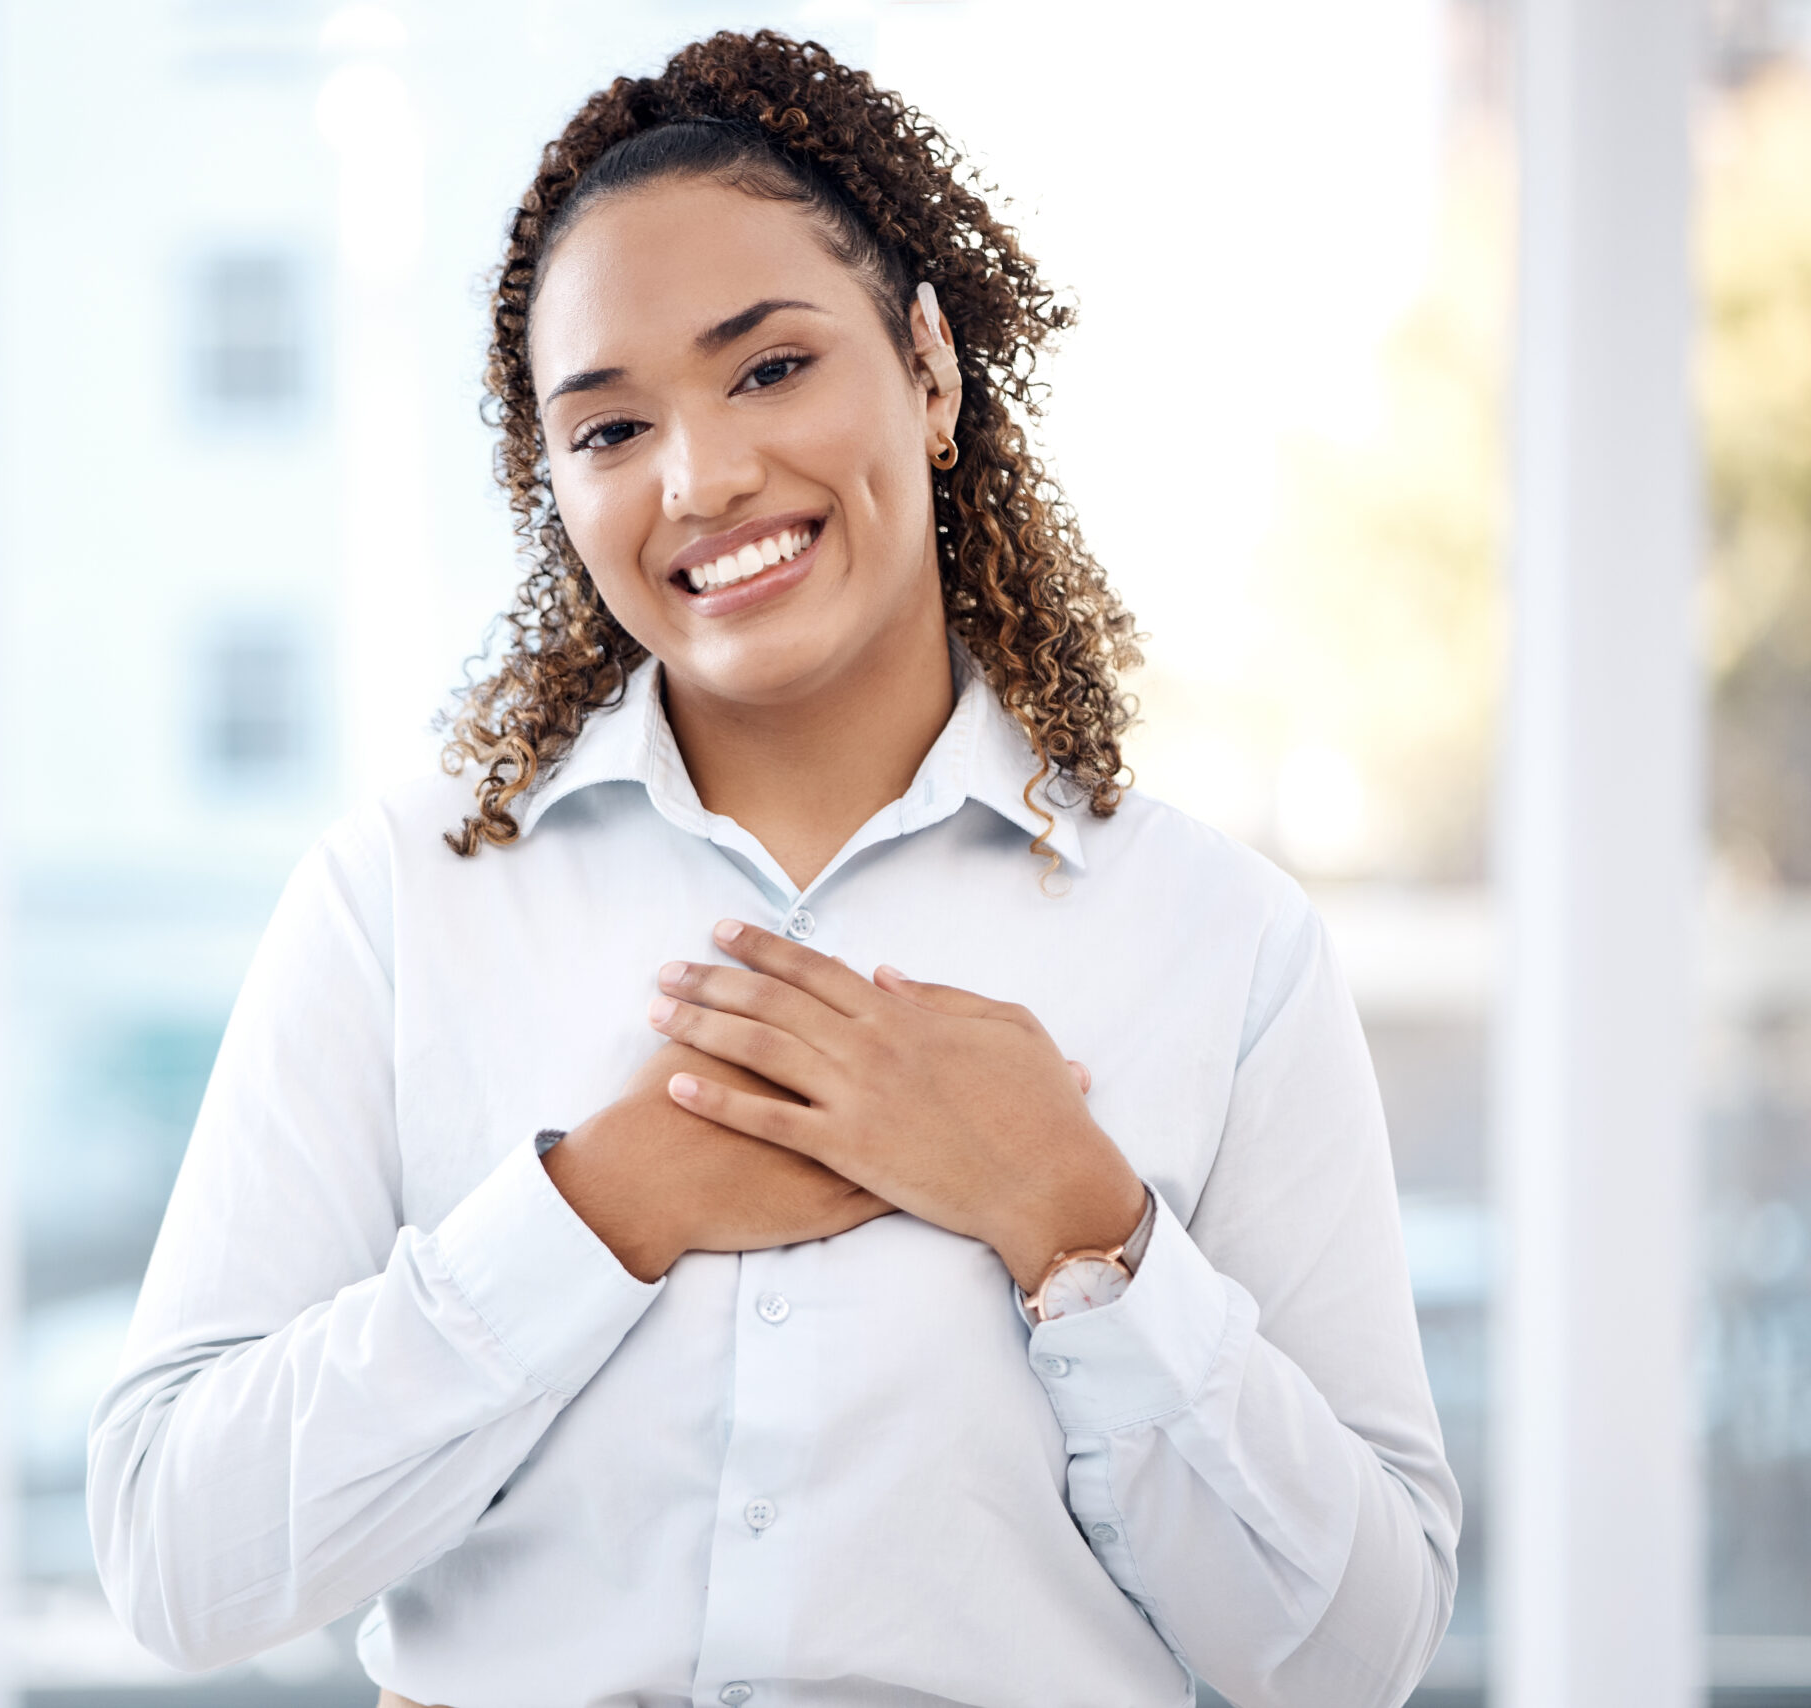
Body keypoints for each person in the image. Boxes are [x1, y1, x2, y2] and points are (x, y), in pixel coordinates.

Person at [89, 30, 1457, 1708]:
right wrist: (608, 1210)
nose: (702, 477)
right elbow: (175, 1557)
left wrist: (1070, 1215)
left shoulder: (1219, 947)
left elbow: (1359, 1658)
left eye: (769, 369)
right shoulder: (402, 902)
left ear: (933, 373)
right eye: (607, 430)